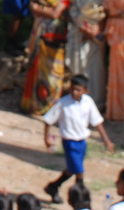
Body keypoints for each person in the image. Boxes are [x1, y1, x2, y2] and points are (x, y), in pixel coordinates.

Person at [42, 73, 115, 204]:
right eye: (72, 89)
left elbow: (97, 121)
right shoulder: (63, 103)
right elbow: (48, 120)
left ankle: (53, 187)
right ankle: (80, 199)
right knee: (79, 171)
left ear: (85, 91)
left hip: (82, 142)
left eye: (78, 90)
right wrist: (46, 137)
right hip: (69, 142)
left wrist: (106, 139)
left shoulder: (88, 102)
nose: (74, 92)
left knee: (72, 169)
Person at [23, 0, 73, 115]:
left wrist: (39, 9)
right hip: (40, 33)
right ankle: (34, 104)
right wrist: (40, 9)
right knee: (37, 69)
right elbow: (33, 5)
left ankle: (51, 106)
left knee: (53, 73)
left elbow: (55, 14)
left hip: (56, 37)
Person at [67, 0, 108, 106]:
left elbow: (105, 10)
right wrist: (82, 27)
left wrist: (94, 31)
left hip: (95, 34)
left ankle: (96, 102)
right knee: (78, 65)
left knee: (95, 68)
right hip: (79, 31)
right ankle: (78, 100)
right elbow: (73, 10)